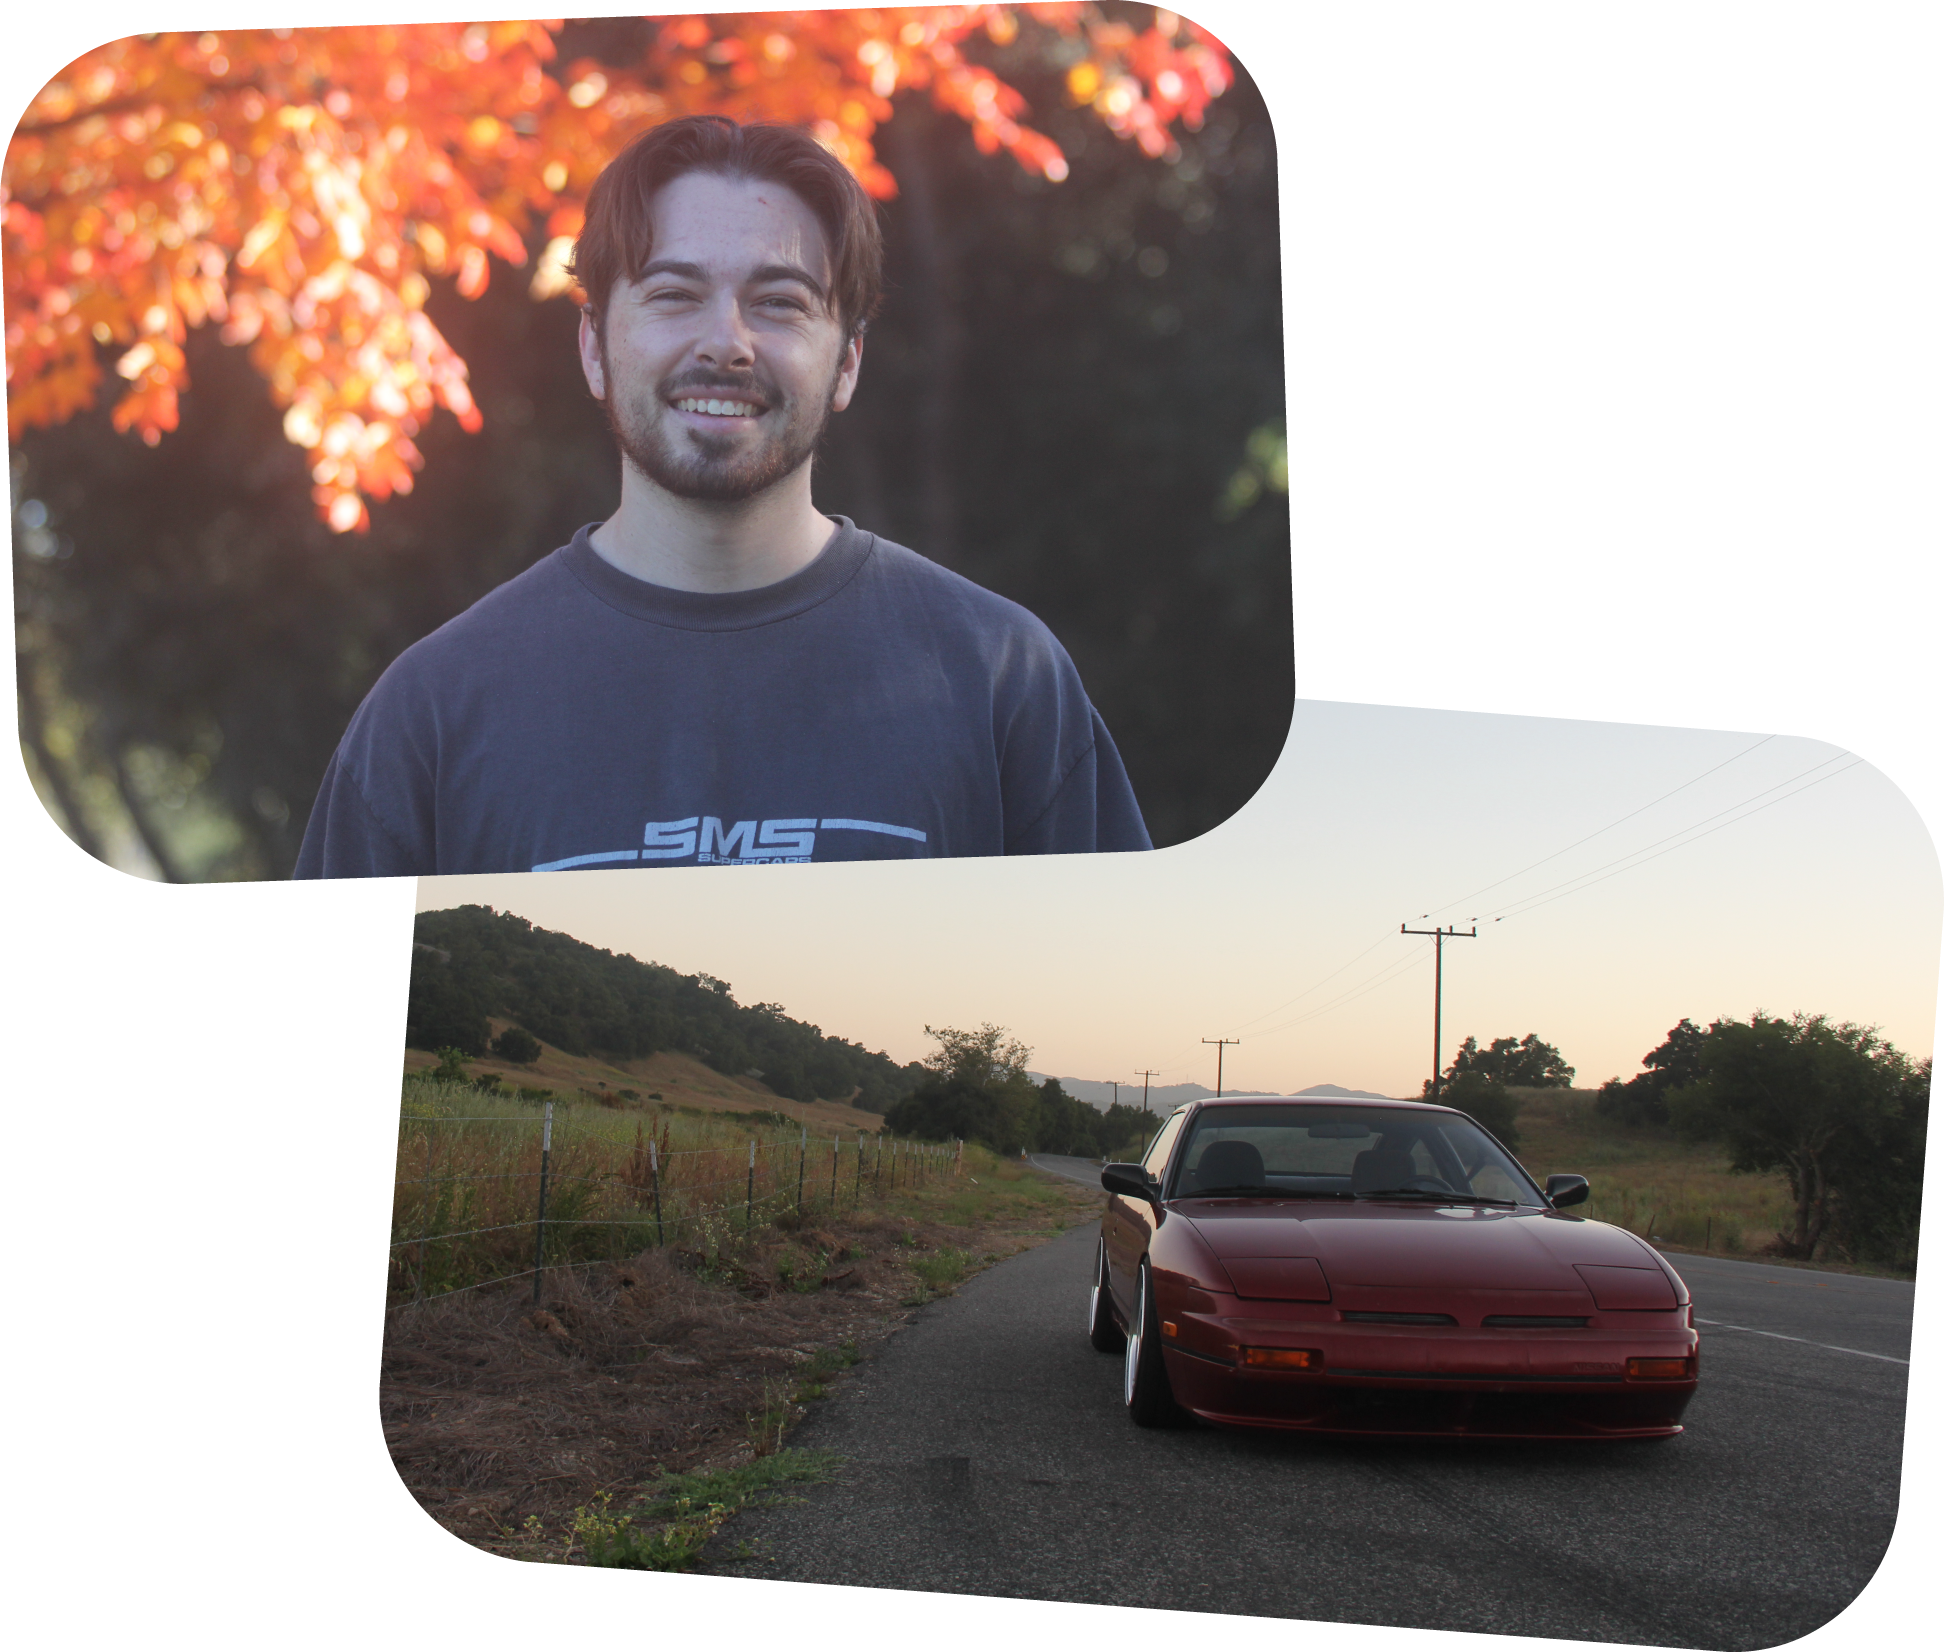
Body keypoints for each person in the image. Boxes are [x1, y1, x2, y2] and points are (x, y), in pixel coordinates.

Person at [294, 115, 1150, 877]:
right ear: (594, 346)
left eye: (779, 303)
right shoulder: (434, 714)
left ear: (847, 360)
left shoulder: (999, 678)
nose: (727, 344)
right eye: (674, 295)